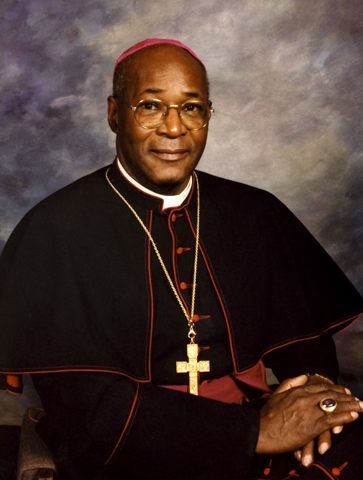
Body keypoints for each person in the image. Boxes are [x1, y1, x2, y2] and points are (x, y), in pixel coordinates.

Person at [0, 38, 362, 480]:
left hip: (261, 418)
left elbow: (304, 340)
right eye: (151, 106)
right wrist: (254, 433)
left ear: (208, 115)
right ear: (115, 113)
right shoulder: (55, 229)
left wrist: (317, 403)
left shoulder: (256, 212)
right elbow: (86, 409)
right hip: (129, 446)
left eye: (191, 108)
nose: (174, 129)